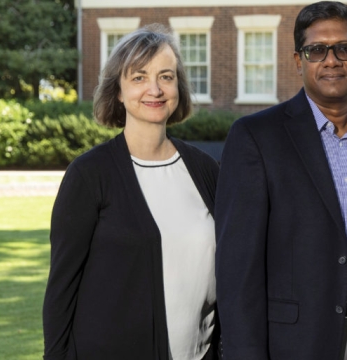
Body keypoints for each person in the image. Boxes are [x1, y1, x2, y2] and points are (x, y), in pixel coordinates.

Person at [214, 2, 347, 359]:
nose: (332, 60)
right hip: (292, 342)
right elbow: (236, 268)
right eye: (317, 50)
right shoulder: (256, 137)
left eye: (345, 49)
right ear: (298, 61)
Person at [42, 24, 220, 360]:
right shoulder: (89, 175)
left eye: (165, 77)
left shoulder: (206, 170)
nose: (154, 89)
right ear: (119, 91)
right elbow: (61, 291)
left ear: (178, 87)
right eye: (138, 77)